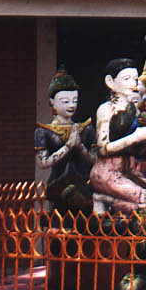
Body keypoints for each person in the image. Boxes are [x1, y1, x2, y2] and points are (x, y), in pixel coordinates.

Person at [88, 58, 146, 215]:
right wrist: (136, 136)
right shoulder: (106, 109)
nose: (132, 84)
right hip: (107, 172)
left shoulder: (133, 110)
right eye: (126, 79)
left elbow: (136, 150)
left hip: (129, 169)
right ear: (110, 82)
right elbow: (103, 148)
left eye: (135, 79)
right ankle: (103, 199)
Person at [35, 69, 96, 210]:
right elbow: (43, 162)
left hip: (83, 183)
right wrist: (68, 146)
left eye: (75, 101)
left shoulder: (85, 128)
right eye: (65, 101)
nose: (71, 105)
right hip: (58, 184)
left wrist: (80, 146)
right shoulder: (43, 131)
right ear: (52, 102)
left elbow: (96, 159)